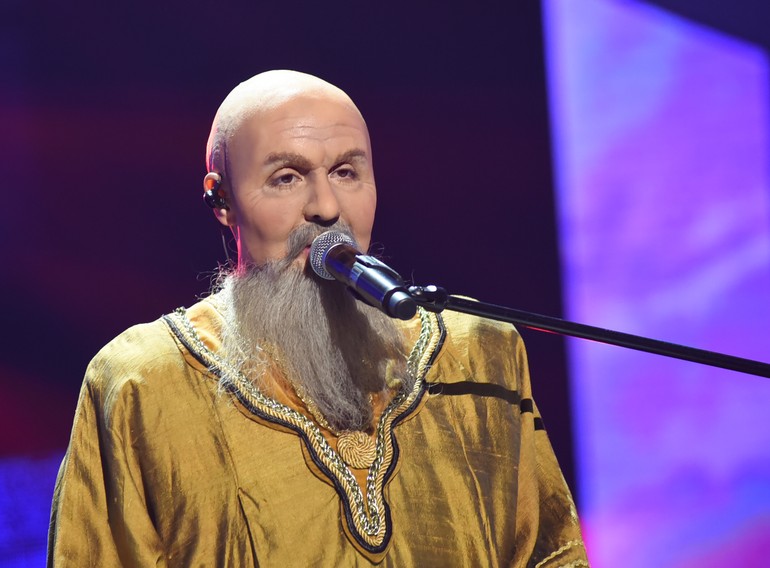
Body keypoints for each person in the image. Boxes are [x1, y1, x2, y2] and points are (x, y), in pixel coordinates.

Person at [47, 70, 588, 567]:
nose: (327, 207)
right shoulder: (143, 383)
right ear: (222, 200)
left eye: (347, 172)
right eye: (286, 177)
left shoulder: (478, 356)